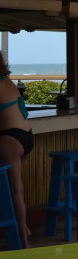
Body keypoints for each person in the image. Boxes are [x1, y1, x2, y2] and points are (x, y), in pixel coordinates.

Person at [0, 55, 32, 247]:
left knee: (16, 191)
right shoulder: (7, 81)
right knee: (16, 188)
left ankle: (22, 236)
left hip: (10, 139)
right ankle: (22, 226)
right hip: (26, 136)